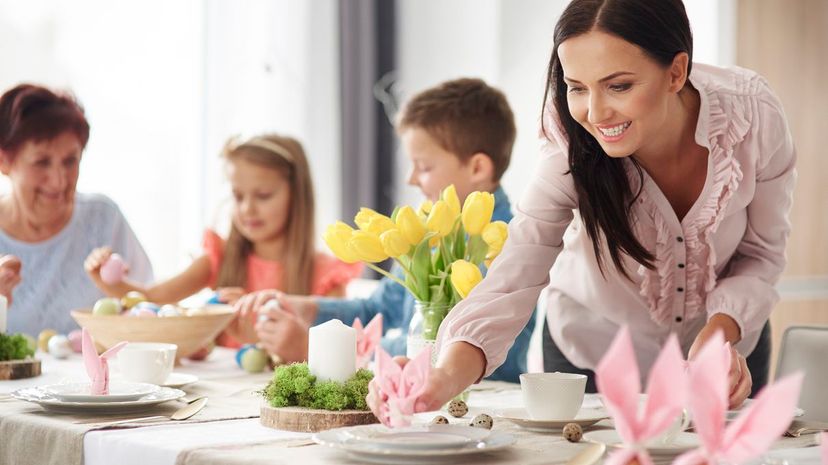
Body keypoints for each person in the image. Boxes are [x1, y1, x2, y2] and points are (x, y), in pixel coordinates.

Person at [367, 0, 796, 421]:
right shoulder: (569, 143)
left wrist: (717, 336)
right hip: (593, 357)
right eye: (576, 87)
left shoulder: (751, 117)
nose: (594, 113)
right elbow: (515, 274)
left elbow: (761, 255)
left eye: (619, 86)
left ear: (676, 71)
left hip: (726, 353)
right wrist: (442, 378)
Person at [235, 78, 537, 383]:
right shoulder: (428, 233)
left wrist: (324, 348)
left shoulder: (507, 247)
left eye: (424, 166)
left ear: (477, 169)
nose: (411, 178)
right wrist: (304, 308)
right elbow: (377, 308)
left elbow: (447, 348)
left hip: (488, 403)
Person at [85, 133, 361, 347]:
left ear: (297, 196)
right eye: (238, 196)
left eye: (263, 195)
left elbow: (341, 352)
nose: (247, 208)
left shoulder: (326, 275)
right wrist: (108, 281)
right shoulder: (219, 257)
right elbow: (153, 300)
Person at [0, 84, 153, 336]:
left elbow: (149, 310)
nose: (59, 181)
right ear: (4, 161)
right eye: (42, 162)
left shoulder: (104, 219)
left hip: (97, 376)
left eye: (70, 161)